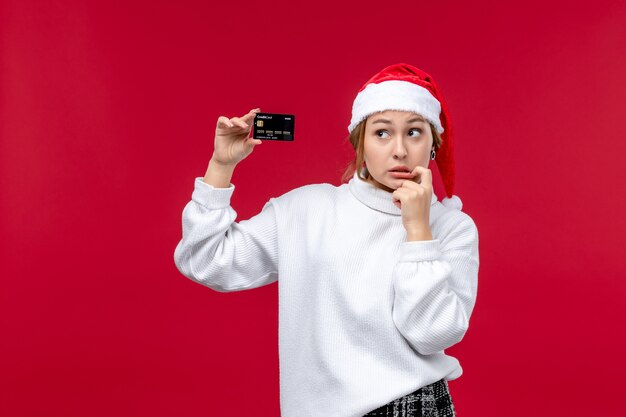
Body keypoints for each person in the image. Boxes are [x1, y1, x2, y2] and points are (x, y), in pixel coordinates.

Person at [173, 63, 479, 417]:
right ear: (360, 141)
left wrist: (418, 231)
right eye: (382, 133)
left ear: (432, 144)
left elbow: (432, 334)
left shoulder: (452, 227)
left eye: (414, 132)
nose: (399, 150)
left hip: (414, 407)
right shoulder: (306, 210)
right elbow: (205, 259)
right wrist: (220, 166)